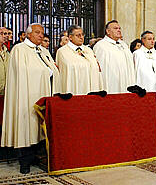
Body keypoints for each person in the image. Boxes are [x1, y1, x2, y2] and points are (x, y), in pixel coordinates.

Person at [1, 23, 60, 174]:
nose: (41, 35)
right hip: (26, 95)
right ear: (28, 34)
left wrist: (51, 72)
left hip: (44, 92)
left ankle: (37, 156)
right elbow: (22, 72)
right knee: (26, 127)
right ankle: (24, 162)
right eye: (37, 32)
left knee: (39, 129)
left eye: (42, 33)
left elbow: (52, 67)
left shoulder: (43, 50)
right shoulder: (19, 50)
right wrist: (44, 72)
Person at [56, 25, 103, 95]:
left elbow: (95, 66)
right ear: (70, 37)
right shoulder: (62, 51)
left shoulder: (89, 50)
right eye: (78, 35)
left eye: (82, 35)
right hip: (75, 87)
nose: (81, 37)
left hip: (91, 87)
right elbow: (67, 69)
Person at [93, 20, 136, 94]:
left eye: (119, 28)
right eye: (115, 28)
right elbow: (100, 69)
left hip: (126, 82)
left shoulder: (124, 45)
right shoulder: (101, 46)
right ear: (108, 31)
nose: (119, 30)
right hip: (111, 83)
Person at [0, 28, 10, 95]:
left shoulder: (7, 52)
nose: (5, 36)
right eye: (1, 33)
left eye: (7, 34)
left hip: (5, 91)